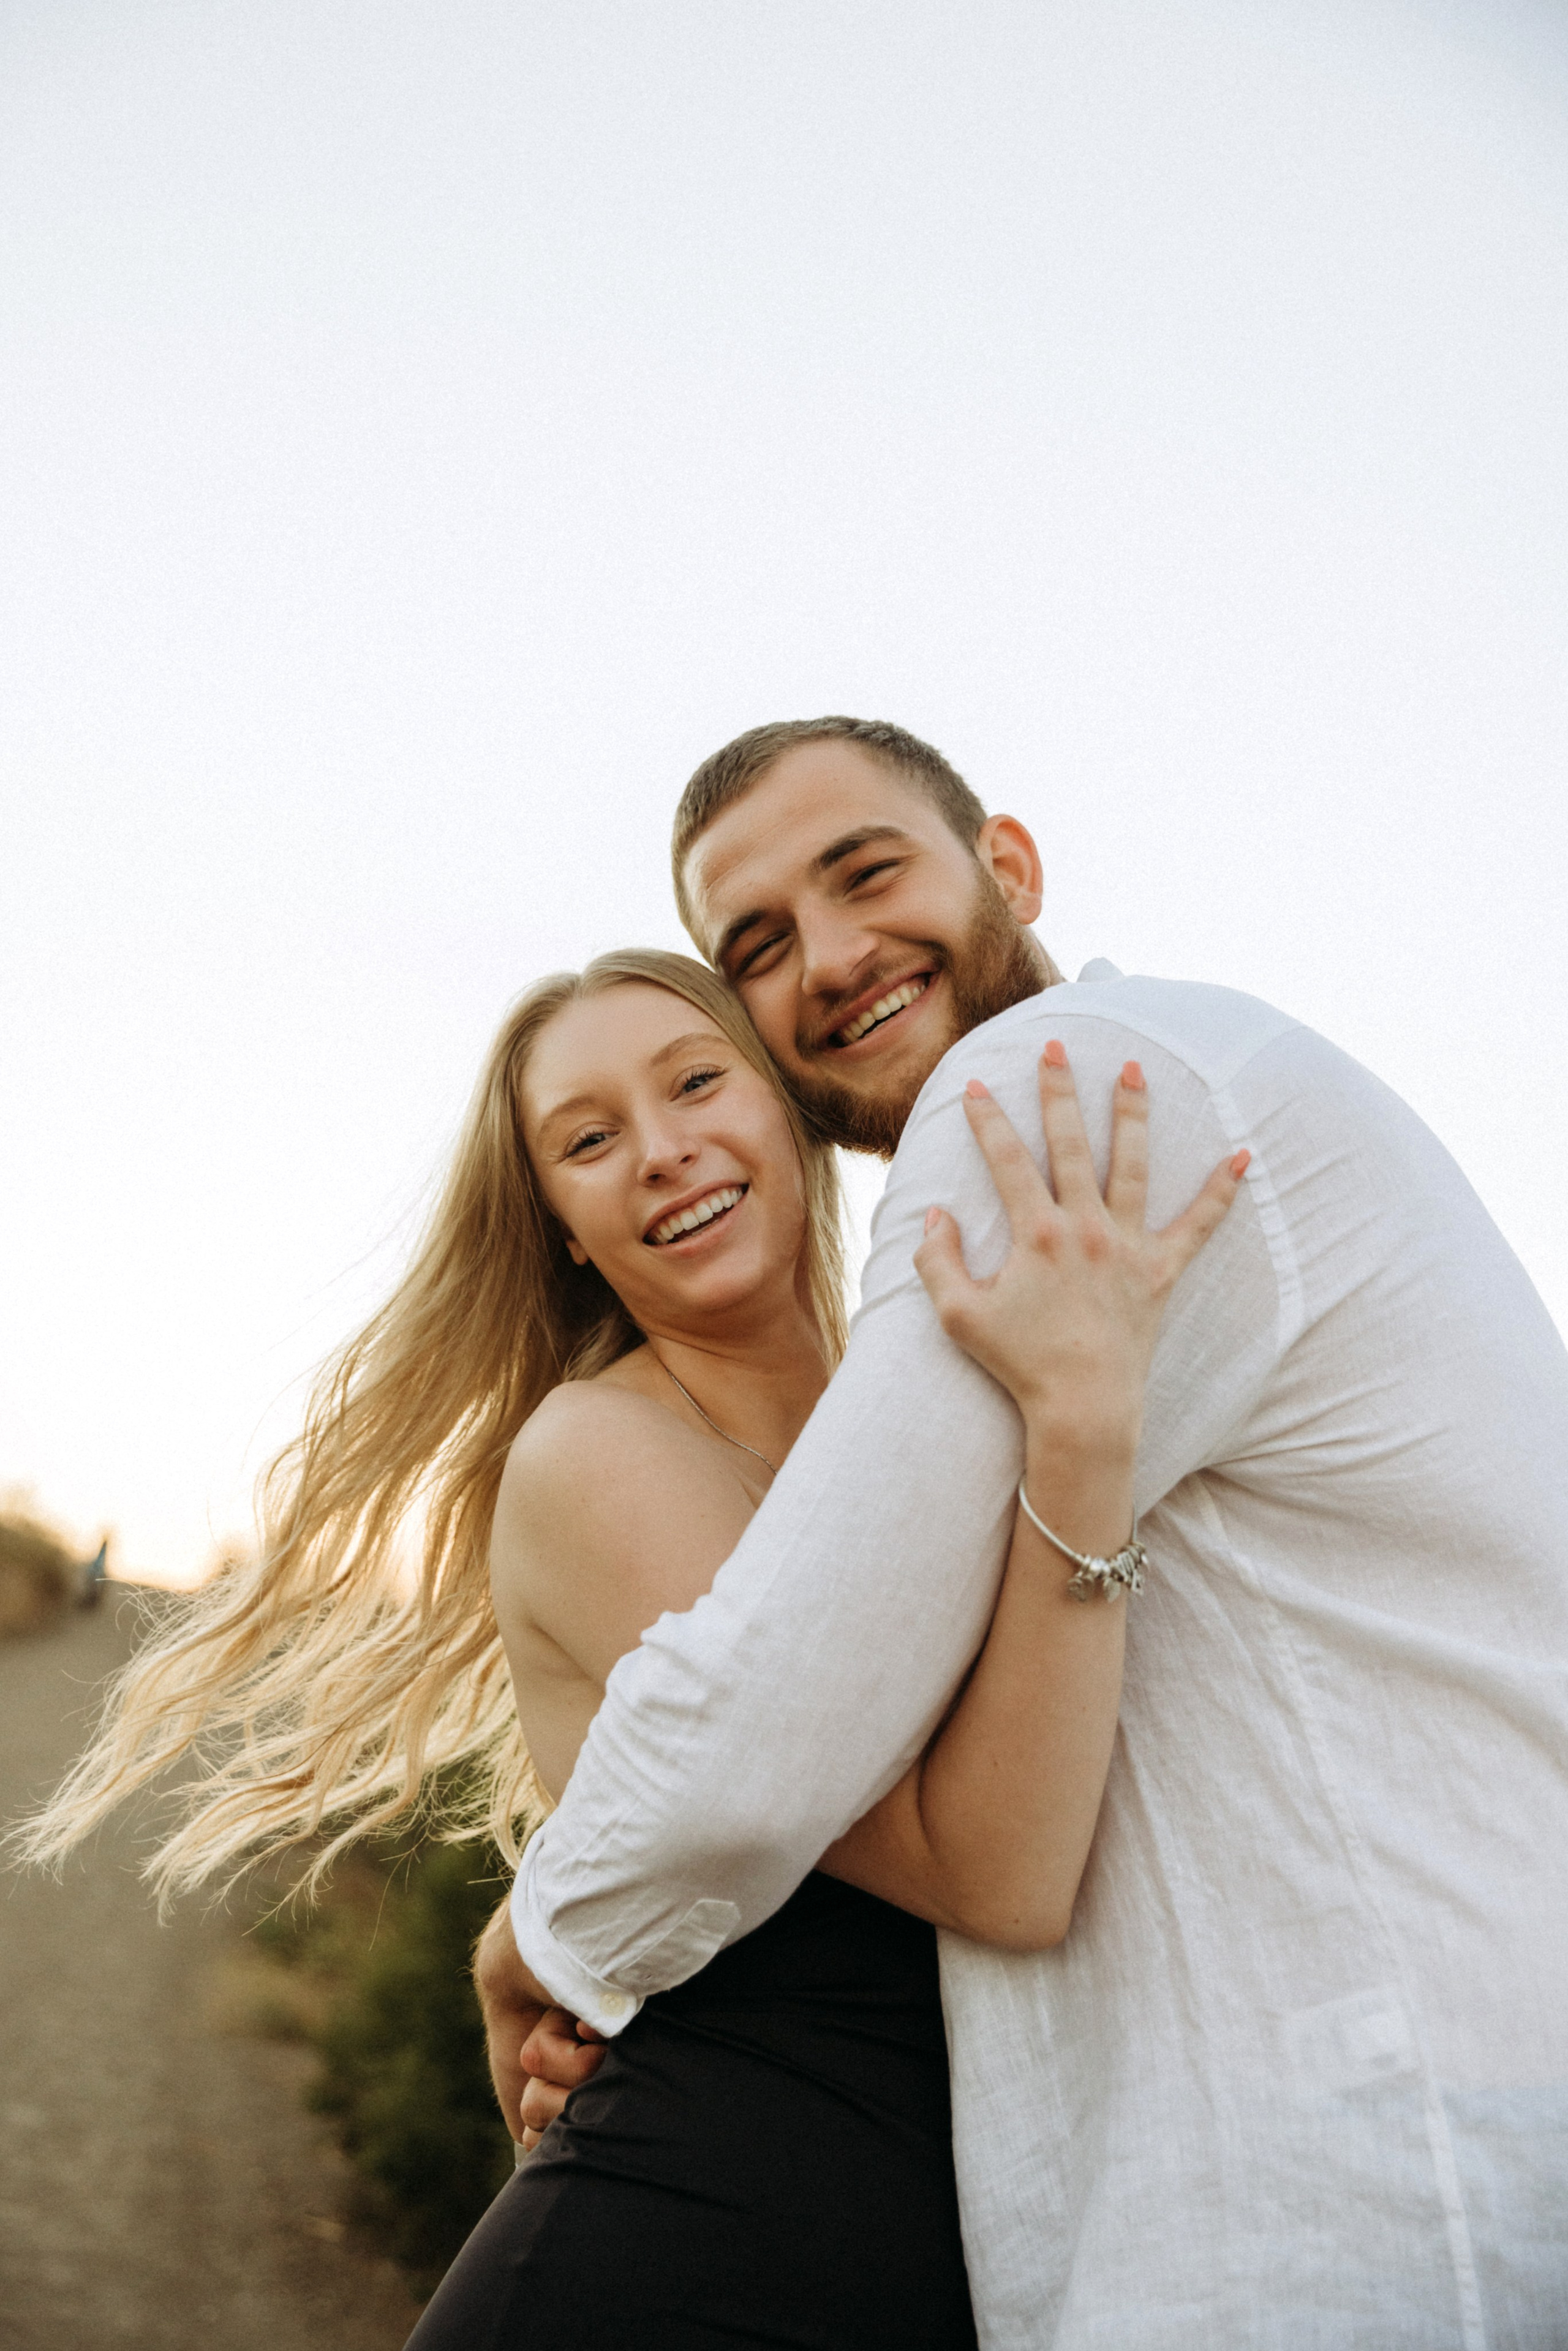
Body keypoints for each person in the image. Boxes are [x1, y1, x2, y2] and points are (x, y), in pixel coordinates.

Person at [487, 718, 1568, 2349]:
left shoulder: (1039, 1095)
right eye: (759, 945)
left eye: (865, 873)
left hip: (1351, 2154)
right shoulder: (1186, 1056)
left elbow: (766, 1718)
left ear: (1010, 864)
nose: (829, 958)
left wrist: (536, 1934)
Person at [17, 942, 1238, 2347]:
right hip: (683, 2242)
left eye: (697, 1082)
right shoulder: (598, 1453)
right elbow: (996, 1870)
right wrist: (1084, 1428)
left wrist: (525, 1928)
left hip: (925, 2245)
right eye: (588, 1140)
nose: (659, 1150)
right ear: (562, 1227)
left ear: (788, 1112)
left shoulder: (906, 1421)